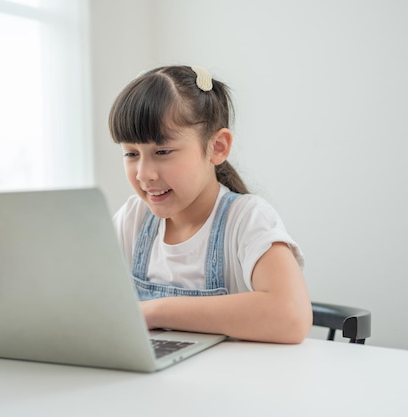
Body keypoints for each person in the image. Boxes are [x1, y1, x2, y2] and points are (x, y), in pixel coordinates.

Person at [109, 65, 312, 344]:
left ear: (217, 147)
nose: (144, 174)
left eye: (163, 152)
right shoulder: (133, 218)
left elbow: (291, 316)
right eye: (131, 153)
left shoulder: (246, 219)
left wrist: (155, 311)